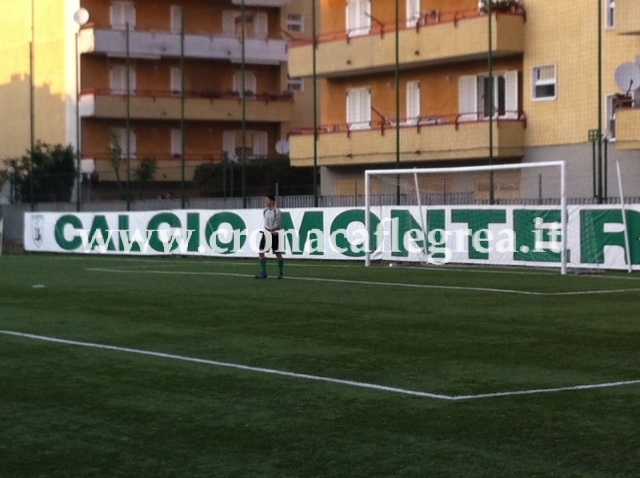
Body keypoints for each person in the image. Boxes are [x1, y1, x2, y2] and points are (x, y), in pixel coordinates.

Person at [255, 194, 284, 279]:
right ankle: (263, 272)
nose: (265, 202)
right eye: (265, 200)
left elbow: (278, 224)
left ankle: (280, 272)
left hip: (275, 234)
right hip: (267, 233)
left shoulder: (277, 211)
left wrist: (272, 229)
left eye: (267, 200)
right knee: (261, 251)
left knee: (278, 253)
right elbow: (266, 223)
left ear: (272, 201)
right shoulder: (265, 211)